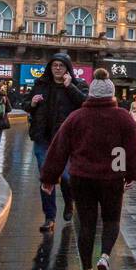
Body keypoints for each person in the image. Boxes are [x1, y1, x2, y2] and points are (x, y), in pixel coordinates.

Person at [39, 70, 136, 270]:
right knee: (111, 220)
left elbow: (58, 149)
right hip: (112, 177)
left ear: (91, 95)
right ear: (111, 95)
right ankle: (104, 256)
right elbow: (133, 149)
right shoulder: (123, 118)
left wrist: (49, 178)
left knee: (86, 224)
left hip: (81, 176)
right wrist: (132, 173)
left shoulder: (76, 118)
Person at [28, 53, 88, 235]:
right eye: (54, 65)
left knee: (68, 178)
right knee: (47, 179)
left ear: (68, 68)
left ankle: (69, 201)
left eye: (61, 66)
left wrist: (70, 87)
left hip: (67, 140)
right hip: (43, 138)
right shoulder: (41, 85)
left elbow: (85, 103)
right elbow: (25, 104)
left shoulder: (77, 85)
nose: (57, 68)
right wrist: (30, 103)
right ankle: (49, 217)